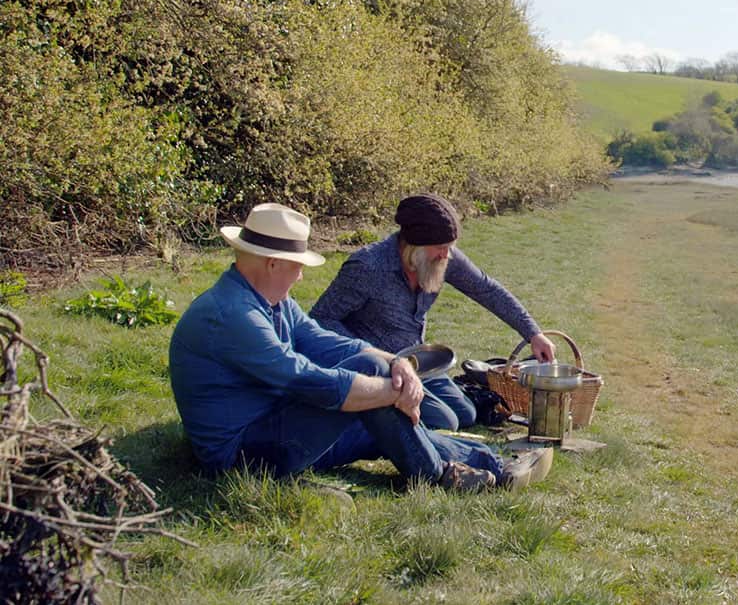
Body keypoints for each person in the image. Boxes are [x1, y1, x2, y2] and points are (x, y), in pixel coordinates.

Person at [168, 202, 552, 491]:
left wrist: (397, 364)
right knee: (369, 384)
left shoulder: (270, 302)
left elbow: (321, 340)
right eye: (297, 265)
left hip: (275, 424)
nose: (301, 275)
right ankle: (438, 476)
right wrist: (388, 390)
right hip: (241, 454)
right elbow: (302, 378)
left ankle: (495, 464)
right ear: (272, 264)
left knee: (381, 424)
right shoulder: (234, 315)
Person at [310, 193, 555, 431]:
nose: (447, 255)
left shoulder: (442, 256)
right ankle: (369, 415)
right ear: (412, 244)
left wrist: (533, 333)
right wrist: (370, 354)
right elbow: (321, 318)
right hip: (381, 372)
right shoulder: (367, 267)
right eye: (440, 247)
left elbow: (486, 289)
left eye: (450, 247)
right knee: (444, 421)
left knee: (466, 414)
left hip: (419, 363)